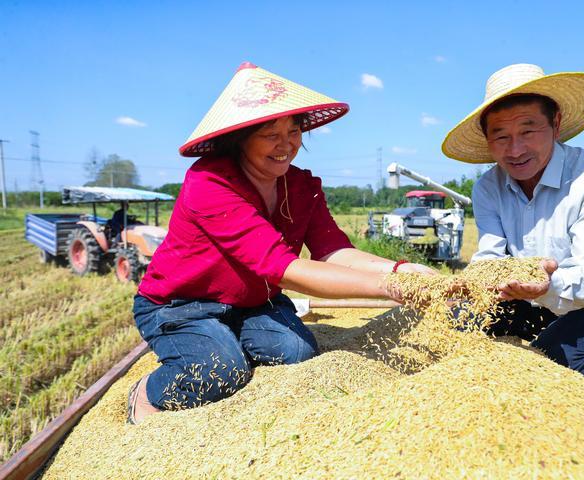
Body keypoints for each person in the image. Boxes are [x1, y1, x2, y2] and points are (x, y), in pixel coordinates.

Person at [128, 62, 436, 424]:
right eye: (270, 134)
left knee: (298, 352)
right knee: (222, 371)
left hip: (255, 302)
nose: (286, 144)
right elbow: (284, 268)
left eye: (294, 130)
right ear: (239, 137)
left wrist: (405, 271)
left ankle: (225, 336)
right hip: (182, 304)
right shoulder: (210, 182)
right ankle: (146, 390)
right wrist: (394, 287)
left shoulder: (302, 186)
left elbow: (333, 251)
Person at [442, 63, 584, 401]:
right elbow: (491, 254)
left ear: (555, 124)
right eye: (501, 136)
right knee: (459, 326)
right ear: (487, 139)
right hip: (532, 294)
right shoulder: (487, 188)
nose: (515, 150)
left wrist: (542, 285)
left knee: (554, 361)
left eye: (528, 131)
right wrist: (472, 284)